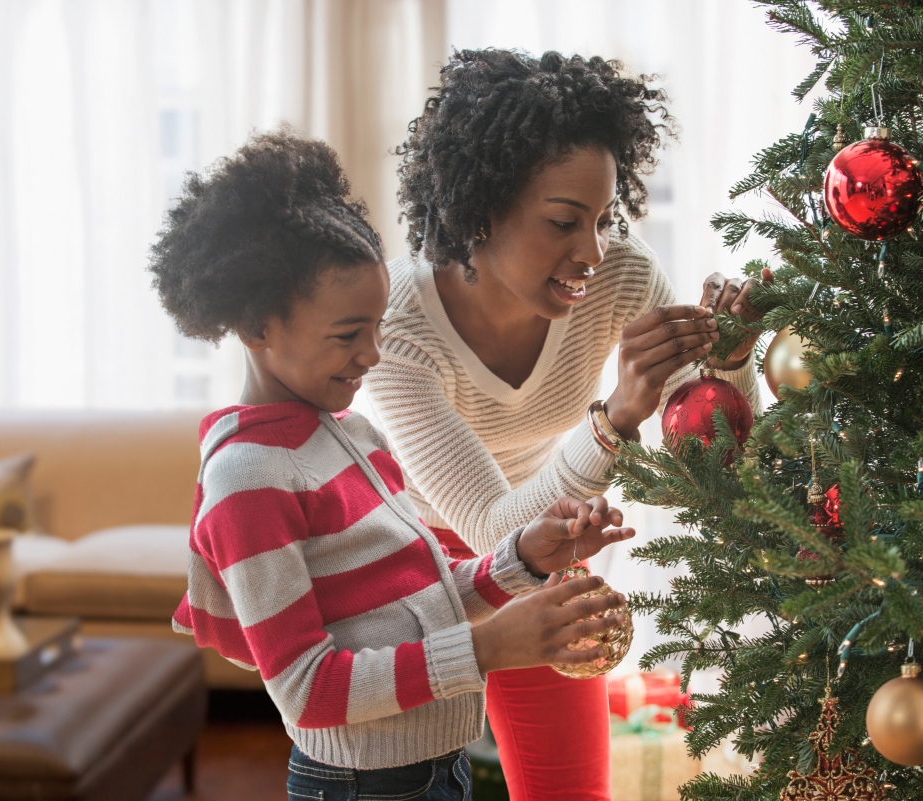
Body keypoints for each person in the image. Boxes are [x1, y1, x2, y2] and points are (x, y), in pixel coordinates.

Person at [150, 128, 636, 801]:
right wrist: (491, 649)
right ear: (259, 327)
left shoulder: (353, 434)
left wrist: (523, 557)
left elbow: (419, 607)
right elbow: (308, 688)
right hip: (359, 785)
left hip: (435, 767)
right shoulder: (248, 479)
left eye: (377, 326)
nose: (373, 354)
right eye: (348, 334)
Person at [364, 49, 771, 801]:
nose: (590, 251)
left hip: (543, 538)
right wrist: (614, 418)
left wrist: (732, 363)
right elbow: (491, 528)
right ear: (477, 209)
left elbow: (710, 466)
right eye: (562, 222)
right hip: (404, 555)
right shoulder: (398, 324)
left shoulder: (620, 274)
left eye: (602, 218)